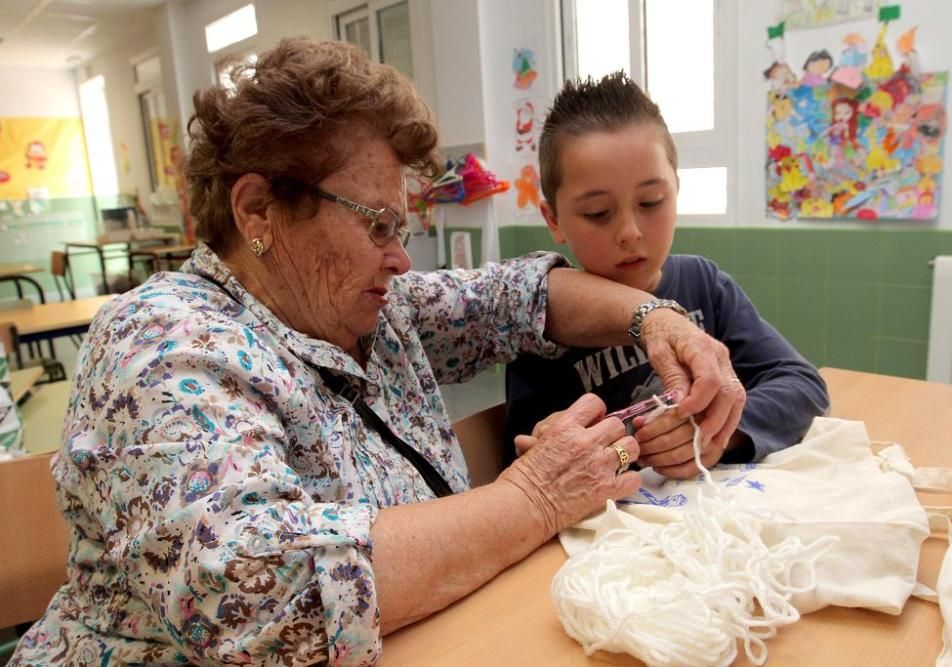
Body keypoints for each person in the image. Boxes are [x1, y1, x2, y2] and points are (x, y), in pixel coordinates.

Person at [9, 40, 744, 666]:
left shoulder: (365, 309)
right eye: (379, 225)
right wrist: (536, 495)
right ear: (257, 210)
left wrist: (657, 318)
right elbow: (255, 588)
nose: (400, 260)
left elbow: (520, 298)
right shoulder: (161, 344)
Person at [505, 72, 829, 480]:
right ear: (554, 220)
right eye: (598, 213)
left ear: (676, 191)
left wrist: (721, 433)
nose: (630, 232)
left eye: (651, 201)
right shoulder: (541, 325)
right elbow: (523, 459)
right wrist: (589, 452)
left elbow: (803, 384)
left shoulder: (704, 284)